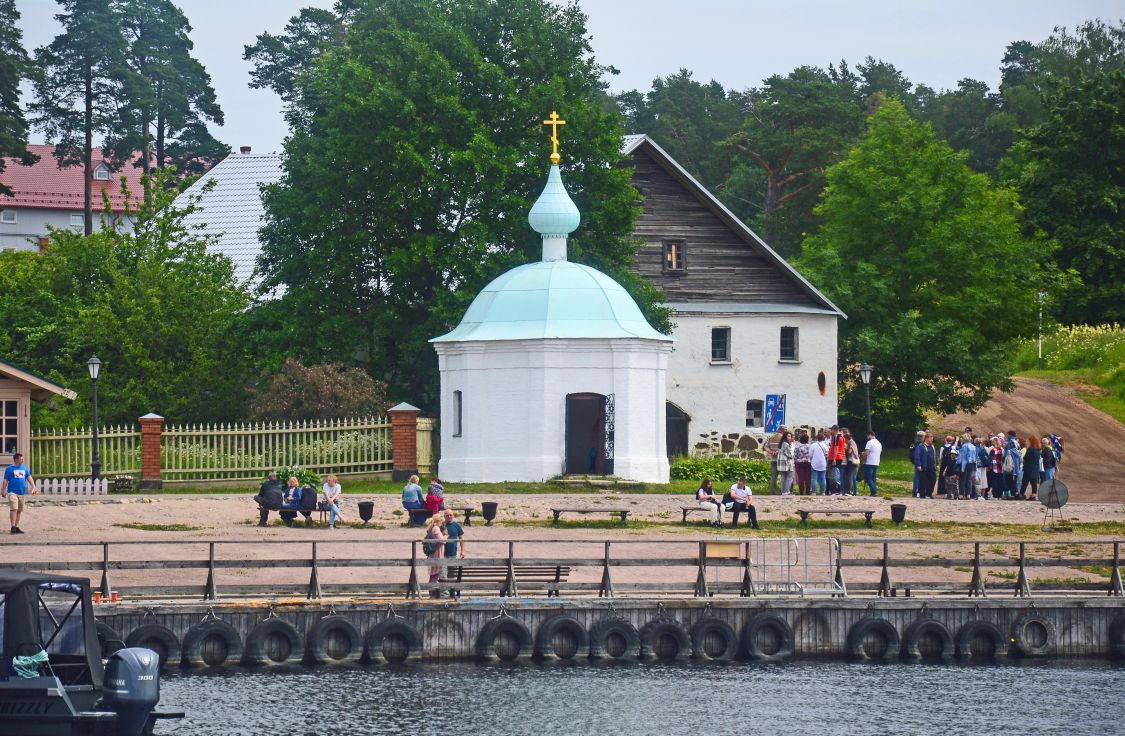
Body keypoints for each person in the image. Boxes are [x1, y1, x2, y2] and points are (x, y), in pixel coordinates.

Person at [2, 452, 37, 534]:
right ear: (16, 460)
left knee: (19, 510)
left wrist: (33, 486)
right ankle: (13, 526)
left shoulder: (24, 468)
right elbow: (5, 480)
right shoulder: (9, 469)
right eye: (21, 459)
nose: (23, 460)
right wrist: (3, 490)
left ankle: (17, 526)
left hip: (22, 492)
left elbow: (29, 477)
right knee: (14, 508)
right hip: (12, 492)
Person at [423, 514, 447, 598]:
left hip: (435, 554)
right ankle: (432, 594)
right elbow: (442, 540)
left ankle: (432, 593)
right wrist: (446, 536)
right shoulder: (436, 528)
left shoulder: (432, 528)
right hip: (436, 554)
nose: (442, 522)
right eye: (441, 521)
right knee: (434, 575)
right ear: (438, 521)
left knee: (434, 575)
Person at [442, 508, 465, 595]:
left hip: (453, 554)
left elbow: (461, 539)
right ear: (444, 516)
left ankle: (452, 592)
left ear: (453, 516)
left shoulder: (457, 525)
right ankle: (444, 593)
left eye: (451, 515)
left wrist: (462, 550)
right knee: (443, 575)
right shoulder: (442, 526)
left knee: (452, 575)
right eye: (447, 515)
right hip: (442, 554)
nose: (449, 516)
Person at [914, 432, 937, 499]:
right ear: (927, 438)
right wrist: (918, 465)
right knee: (923, 481)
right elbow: (917, 455)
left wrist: (937, 463)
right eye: (931, 438)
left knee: (933, 479)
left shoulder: (932, 446)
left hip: (932, 467)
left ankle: (929, 493)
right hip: (924, 466)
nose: (932, 439)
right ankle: (922, 494)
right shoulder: (921, 446)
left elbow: (934, 455)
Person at [1019, 435, 1042, 501]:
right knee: (1034, 483)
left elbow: (1025, 458)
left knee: (1025, 482)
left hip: (1028, 468)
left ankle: (1021, 494)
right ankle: (1034, 495)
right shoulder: (1038, 450)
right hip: (1035, 469)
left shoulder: (1030, 449)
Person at [957, 434, 977, 500]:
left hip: (965, 464)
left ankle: (961, 494)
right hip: (972, 464)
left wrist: (957, 462)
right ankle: (968, 494)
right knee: (969, 479)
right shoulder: (973, 446)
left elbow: (962, 456)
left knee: (962, 479)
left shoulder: (964, 446)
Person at [861, 431, 882, 497]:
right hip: (876, 462)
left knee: (868, 477)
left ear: (870, 435)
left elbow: (867, 453)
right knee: (873, 478)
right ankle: (873, 492)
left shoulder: (869, 442)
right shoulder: (879, 443)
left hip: (870, 462)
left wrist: (862, 455)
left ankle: (874, 490)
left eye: (867, 436)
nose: (867, 438)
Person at [776, 432, 795, 496]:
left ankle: (783, 491)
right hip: (786, 463)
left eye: (790, 436)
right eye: (788, 436)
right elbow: (790, 455)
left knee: (783, 477)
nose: (790, 438)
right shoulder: (786, 444)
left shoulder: (781, 443)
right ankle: (787, 491)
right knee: (789, 477)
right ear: (785, 437)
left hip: (781, 463)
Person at [809, 431, 828, 495]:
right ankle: (823, 492)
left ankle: (814, 492)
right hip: (823, 463)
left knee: (814, 478)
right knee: (823, 478)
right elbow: (827, 454)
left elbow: (810, 455)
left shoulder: (813, 445)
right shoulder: (825, 445)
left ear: (817, 438)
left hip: (815, 463)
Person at [842, 428, 860, 496]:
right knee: (851, 476)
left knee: (850, 476)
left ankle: (850, 491)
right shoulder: (851, 442)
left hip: (852, 461)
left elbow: (850, 452)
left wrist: (845, 450)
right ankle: (852, 491)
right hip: (851, 461)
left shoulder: (851, 442)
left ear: (846, 438)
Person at [908, 430, 925, 498]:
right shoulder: (921, 445)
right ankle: (917, 492)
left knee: (916, 477)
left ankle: (915, 492)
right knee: (919, 477)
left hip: (916, 462)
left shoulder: (914, 443)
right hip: (920, 462)